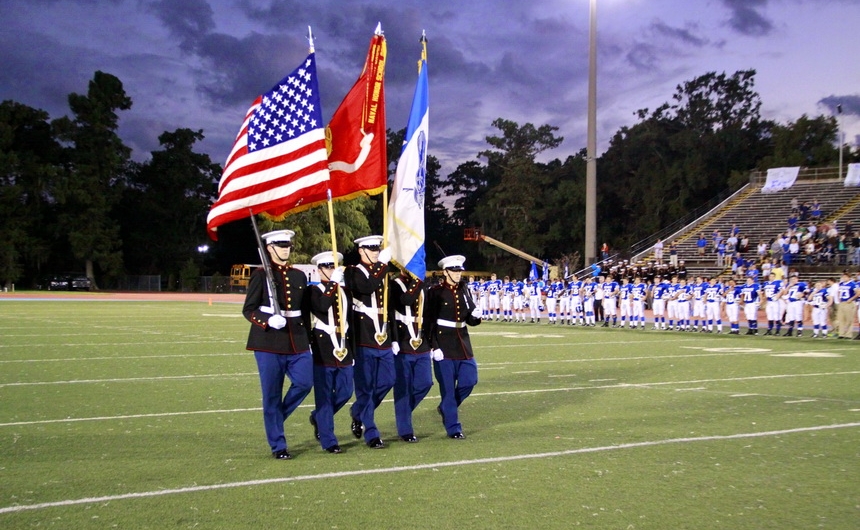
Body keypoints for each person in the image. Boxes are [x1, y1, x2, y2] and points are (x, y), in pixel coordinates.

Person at [242, 229, 313, 460]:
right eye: (280, 245)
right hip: (268, 342)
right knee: (271, 395)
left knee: (304, 382)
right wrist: (266, 320)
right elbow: (248, 309)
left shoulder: (298, 276)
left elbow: (304, 311)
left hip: (297, 340)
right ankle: (278, 445)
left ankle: (275, 418)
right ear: (269, 248)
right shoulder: (261, 275)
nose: (285, 248)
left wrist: (309, 340)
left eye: (288, 245)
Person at [345, 235, 394, 449]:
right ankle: (371, 433)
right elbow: (366, 287)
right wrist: (383, 264)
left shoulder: (383, 274)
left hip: (382, 334)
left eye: (377, 249)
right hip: (362, 334)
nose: (375, 252)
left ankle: (358, 412)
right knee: (365, 387)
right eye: (371, 249)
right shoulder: (352, 271)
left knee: (387, 380)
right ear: (361, 251)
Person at [426, 255, 482, 439]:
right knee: (448, 390)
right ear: (445, 272)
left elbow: (470, 321)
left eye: (460, 270)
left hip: (462, 343)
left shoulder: (465, 291)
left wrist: (476, 316)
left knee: (470, 380)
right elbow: (429, 322)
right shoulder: (435, 292)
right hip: (443, 345)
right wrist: (434, 347)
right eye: (454, 271)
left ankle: (446, 408)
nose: (458, 274)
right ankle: (454, 428)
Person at [308, 251, 352, 454]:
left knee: (345, 391)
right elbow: (322, 307)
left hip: (343, 345)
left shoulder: (344, 291)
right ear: (319, 270)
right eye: (327, 267)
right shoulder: (314, 290)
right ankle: (329, 439)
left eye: (334, 267)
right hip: (323, 345)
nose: (332, 270)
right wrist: (333, 284)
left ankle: (318, 417)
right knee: (324, 395)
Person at [390, 268, 433, 443]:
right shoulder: (394, 285)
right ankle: (405, 430)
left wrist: (431, 342)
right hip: (402, 341)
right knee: (403, 388)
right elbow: (405, 301)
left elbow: (428, 315)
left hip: (421, 341)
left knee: (425, 383)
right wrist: (392, 339)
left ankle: (403, 414)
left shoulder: (421, 287)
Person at [835, 272, 858, 339]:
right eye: (843, 277)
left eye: (845, 277)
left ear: (849, 277)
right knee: (841, 319)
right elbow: (839, 291)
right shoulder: (841, 284)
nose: (844, 278)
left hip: (849, 303)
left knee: (849, 320)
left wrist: (851, 299)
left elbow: (858, 293)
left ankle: (848, 334)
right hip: (842, 302)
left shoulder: (853, 284)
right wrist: (839, 298)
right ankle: (841, 334)